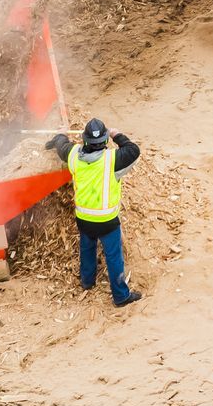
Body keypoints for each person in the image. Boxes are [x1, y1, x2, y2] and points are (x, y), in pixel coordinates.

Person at [47, 118, 142, 307]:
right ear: (105, 141)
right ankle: (121, 296)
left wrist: (61, 134)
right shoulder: (112, 159)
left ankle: (87, 281)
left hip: (84, 219)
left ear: (84, 140)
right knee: (114, 257)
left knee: (87, 249)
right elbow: (134, 150)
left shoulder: (73, 155)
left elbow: (61, 146)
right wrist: (117, 134)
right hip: (107, 221)